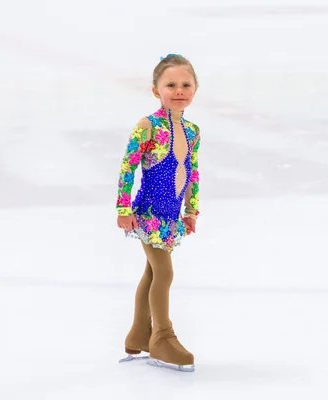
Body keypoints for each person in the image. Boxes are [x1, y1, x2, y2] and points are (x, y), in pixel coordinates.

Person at [115, 54, 201, 372]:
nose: (179, 90)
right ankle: (162, 337)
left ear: (195, 89)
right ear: (156, 90)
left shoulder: (192, 131)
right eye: (170, 85)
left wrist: (191, 210)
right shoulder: (147, 126)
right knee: (164, 273)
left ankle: (139, 334)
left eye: (185, 84)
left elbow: (191, 172)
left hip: (171, 216)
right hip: (148, 213)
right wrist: (124, 208)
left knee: (152, 273)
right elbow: (129, 166)